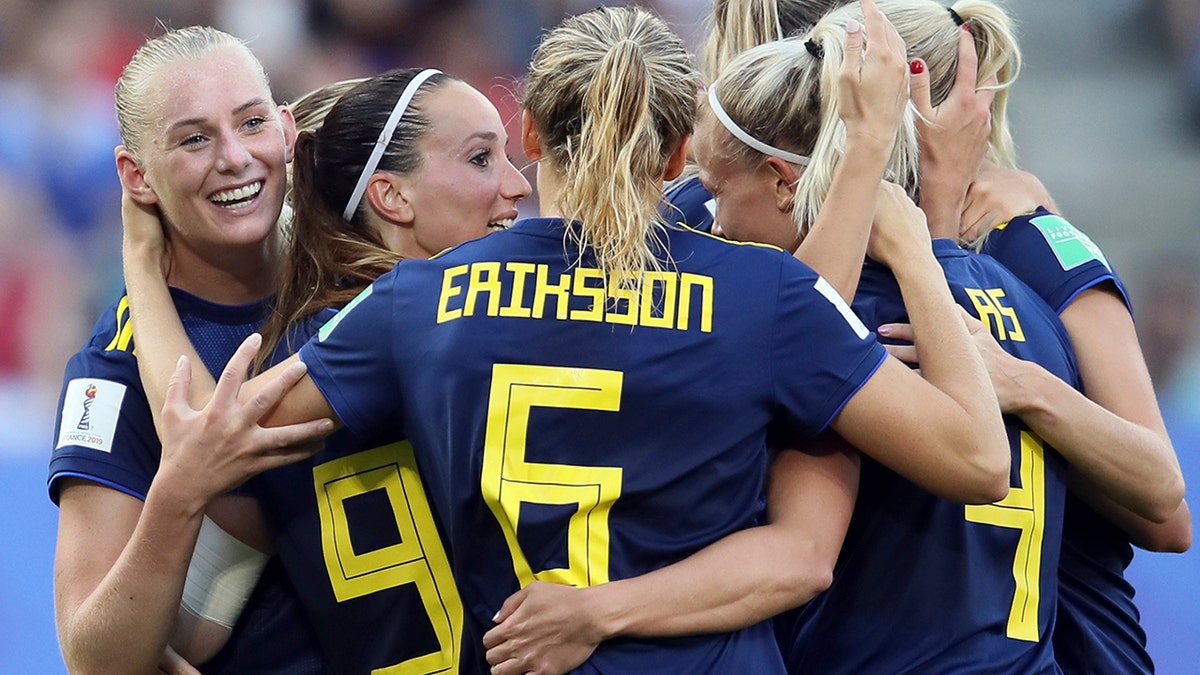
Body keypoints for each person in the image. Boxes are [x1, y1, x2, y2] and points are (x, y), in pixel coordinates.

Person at [124, 5, 1010, 673]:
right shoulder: (769, 295)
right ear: (677, 156)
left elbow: (207, 431)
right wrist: (912, 230)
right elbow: (976, 460)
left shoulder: (421, 297)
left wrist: (140, 252)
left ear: (533, 132)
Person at [124, 66, 533, 673]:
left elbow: (183, 636)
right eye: (480, 158)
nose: (516, 185)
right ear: (391, 196)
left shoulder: (298, 352)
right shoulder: (465, 307)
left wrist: (139, 262)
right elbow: (210, 432)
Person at [47, 25, 329, 674]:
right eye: (194, 138)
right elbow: (93, 657)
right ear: (134, 175)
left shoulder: (361, 274)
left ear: (287, 131)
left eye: (251, 122)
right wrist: (180, 492)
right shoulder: (112, 372)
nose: (233, 157)